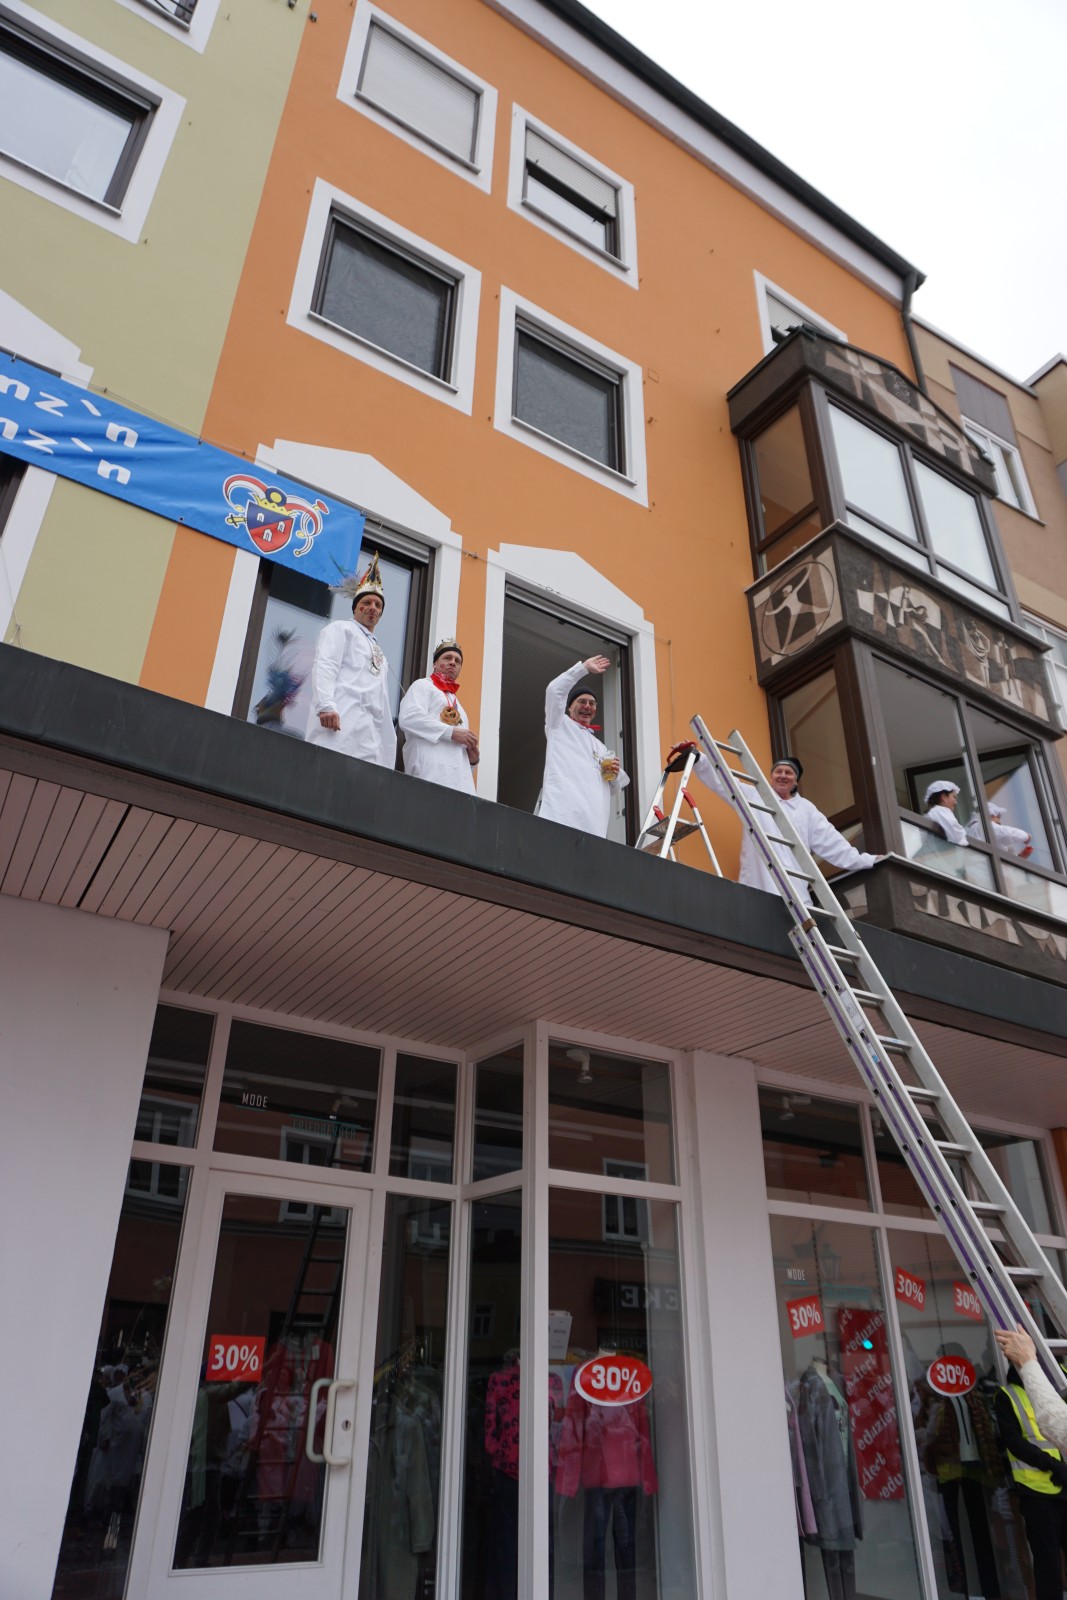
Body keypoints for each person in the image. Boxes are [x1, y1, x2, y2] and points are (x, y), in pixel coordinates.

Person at [669, 745, 881, 902]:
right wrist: (699, 758)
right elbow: (723, 781)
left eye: (788, 773)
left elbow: (832, 843)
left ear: (796, 781)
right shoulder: (754, 796)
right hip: (758, 888)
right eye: (778, 772)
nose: (783, 776)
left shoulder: (807, 810)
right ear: (770, 777)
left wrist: (868, 860)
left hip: (795, 894)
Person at [304, 551, 397, 769]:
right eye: (367, 602)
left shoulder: (380, 654)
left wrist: (386, 751)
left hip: (369, 740)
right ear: (356, 607)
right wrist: (326, 704)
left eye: (378, 605)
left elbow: (382, 702)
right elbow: (325, 665)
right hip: (339, 722)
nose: (373, 607)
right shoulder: (341, 629)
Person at [995, 1326, 1067, 1600]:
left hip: (1064, 1485)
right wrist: (1054, 1465)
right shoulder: (1008, 1395)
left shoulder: (1060, 1380)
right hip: (1037, 1492)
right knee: (1048, 1564)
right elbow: (1015, 1443)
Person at [536, 657, 629, 837]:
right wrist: (583, 668)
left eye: (592, 703)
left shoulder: (601, 747)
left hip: (593, 826)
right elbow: (554, 691)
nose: (587, 706)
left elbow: (615, 788)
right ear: (569, 707)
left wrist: (615, 772)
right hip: (560, 816)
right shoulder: (559, 724)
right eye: (582, 701)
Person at [398, 639, 479, 794]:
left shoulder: (460, 708)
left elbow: (457, 760)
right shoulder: (422, 685)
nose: (453, 662)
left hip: (461, 789)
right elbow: (409, 718)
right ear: (434, 664)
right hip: (430, 777)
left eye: (457, 661)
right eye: (447, 658)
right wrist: (451, 732)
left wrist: (472, 761)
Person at [967, 802, 1033, 858]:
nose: (999, 822)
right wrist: (1026, 836)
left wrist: (1020, 857)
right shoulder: (984, 826)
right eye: (998, 817)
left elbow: (1003, 858)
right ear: (992, 815)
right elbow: (1007, 834)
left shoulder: (975, 829)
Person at [923, 780, 969, 845]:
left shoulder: (933, 812)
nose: (956, 802)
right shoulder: (939, 810)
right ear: (944, 797)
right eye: (954, 797)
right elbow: (957, 836)